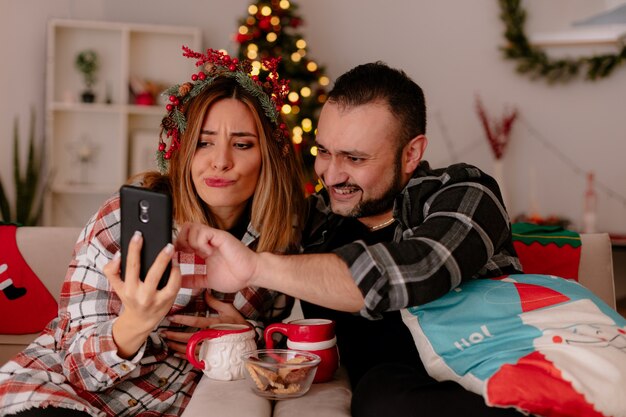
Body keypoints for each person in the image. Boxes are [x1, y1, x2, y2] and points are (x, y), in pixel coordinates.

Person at [173, 62, 526, 417]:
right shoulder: (315, 221)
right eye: (323, 152)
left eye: (355, 158)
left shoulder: (464, 193)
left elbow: (409, 271)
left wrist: (256, 268)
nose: (331, 174)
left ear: (411, 154)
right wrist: (246, 334)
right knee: (381, 387)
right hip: (386, 399)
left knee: (383, 388)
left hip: (500, 387)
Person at [0, 47, 305, 417]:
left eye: (242, 144)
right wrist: (136, 321)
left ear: (268, 157)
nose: (220, 161)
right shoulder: (124, 219)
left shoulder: (279, 242)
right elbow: (77, 368)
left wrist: (245, 336)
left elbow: (279, 352)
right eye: (204, 142)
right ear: (184, 150)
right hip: (58, 394)